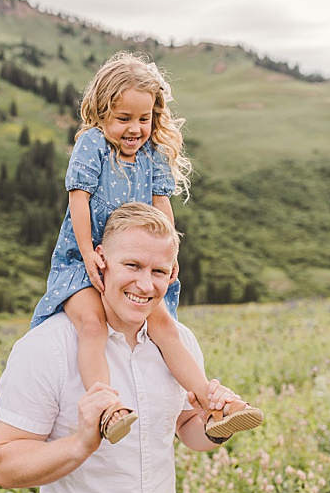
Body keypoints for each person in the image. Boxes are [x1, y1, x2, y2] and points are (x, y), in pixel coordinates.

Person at [0, 202, 244, 493]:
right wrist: (81, 444)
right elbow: (3, 465)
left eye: (158, 271)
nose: (146, 284)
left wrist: (215, 423)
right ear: (101, 260)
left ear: (172, 274)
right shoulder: (48, 348)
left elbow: (186, 427)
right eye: (133, 266)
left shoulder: (179, 343)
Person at [29, 51, 262, 443]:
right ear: (101, 114)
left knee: (165, 326)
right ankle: (107, 407)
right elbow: (78, 198)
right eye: (124, 119)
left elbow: (161, 206)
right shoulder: (93, 145)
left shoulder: (152, 154)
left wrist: (168, 258)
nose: (135, 129)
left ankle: (214, 404)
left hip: (138, 260)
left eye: (144, 118)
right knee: (90, 324)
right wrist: (88, 253)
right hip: (82, 258)